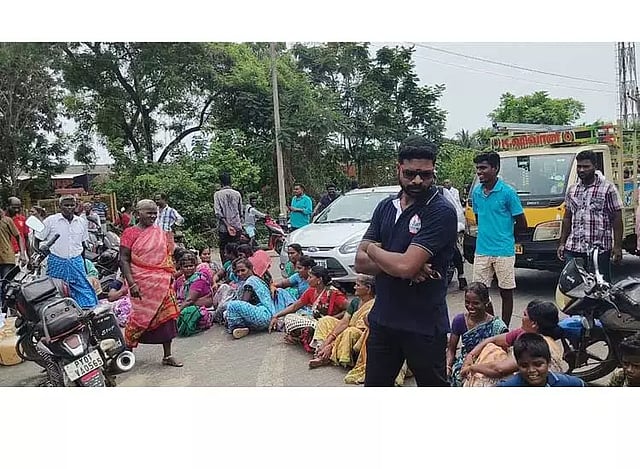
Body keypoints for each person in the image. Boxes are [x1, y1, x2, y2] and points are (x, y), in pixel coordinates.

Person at [354, 135, 457, 387]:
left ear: (434, 171)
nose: (418, 180)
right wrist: (401, 264)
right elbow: (360, 262)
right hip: (384, 320)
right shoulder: (385, 207)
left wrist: (374, 249)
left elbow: (403, 265)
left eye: (426, 174)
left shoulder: (440, 211)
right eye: (410, 173)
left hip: (424, 325)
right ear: (398, 168)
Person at [119, 199, 182, 367]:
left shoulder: (159, 232)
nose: (153, 216)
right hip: (140, 283)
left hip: (162, 282)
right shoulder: (130, 233)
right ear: (138, 214)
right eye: (149, 213)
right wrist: (131, 284)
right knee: (138, 318)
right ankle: (126, 355)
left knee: (167, 318)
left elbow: (167, 256)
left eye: (155, 213)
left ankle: (167, 356)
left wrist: (169, 274)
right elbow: (124, 259)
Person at [471, 151, 527, 326]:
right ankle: (491, 326)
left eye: (483, 168)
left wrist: (507, 238)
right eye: (477, 168)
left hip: (504, 251)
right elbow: (479, 218)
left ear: (495, 168)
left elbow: (522, 222)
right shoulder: (476, 193)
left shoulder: (508, 192)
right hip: (482, 250)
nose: (479, 172)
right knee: (480, 292)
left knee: (506, 291)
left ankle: (504, 328)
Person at [460, 300, 564, 387]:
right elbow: (493, 339)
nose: (522, 318)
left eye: (525, 315)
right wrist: (470, 355)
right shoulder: (525, 333)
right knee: (491, 347)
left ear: (534, 324)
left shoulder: (533, 345)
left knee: (492, 353)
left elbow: (499, 369)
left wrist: (472, 368)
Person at [558, 150, 623, 283]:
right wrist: (562, 243)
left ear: (595, 166)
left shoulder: (608, 189)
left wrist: (617, 247)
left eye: (586, 166)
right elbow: (567, 217)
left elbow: (617, 218)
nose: (582, 170)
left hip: (599, 250)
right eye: (579, 166)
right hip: (574, 248)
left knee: (601, 287)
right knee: (572, 287)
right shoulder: (572, 190)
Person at [35, 195, 98, 309]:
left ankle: (87, 311)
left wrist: (83, 265)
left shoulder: (81, 222)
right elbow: (37, 238)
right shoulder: (51, 221)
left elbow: (83, 245)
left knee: (84, 290)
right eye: (66, 205)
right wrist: (39, 252)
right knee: (55, 291)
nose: (69, 208)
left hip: (76, 262)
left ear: (76, 206)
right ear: (60, 206)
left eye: (72, 205)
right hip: (57, 262)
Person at [269, 266, 348, 351]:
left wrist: (332, 318)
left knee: (310, 327)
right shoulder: (311, 291)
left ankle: (310, 341)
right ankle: (306, 337)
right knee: (289, 317)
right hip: (315, 321)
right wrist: (276, 315)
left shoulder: (334, 293)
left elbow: (350, 309)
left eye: (310, 277)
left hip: (328, 324)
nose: (307, 280)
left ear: (319, 280)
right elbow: (295, 306)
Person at [308, 274, 375, 369]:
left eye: (358, 285)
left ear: (368, 289)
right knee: (325, 320)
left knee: (350, 332)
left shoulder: (373, 305)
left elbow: (362, 328)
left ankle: (326, 356)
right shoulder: (355, 301)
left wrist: (331, 345)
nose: (354, 287)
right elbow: (344, 321)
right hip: (348, 328)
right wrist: (328, 341)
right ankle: (320, 350)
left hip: (360, 334)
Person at [447, 282, 508, 386]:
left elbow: (503, 355)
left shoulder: (497, 326)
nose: (470, 307)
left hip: (489, 366)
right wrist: (448, 367)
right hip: (465, 364)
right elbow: (451, 350)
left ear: (486, 302)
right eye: (467, 302)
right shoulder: (459, 320)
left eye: (476, 303)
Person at [497, 333, 585, 387]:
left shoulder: (565, 383)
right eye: (524, 365)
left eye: (538, 364)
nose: (531, 370)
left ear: (549, 362)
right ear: (518, 365)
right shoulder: (508, 386)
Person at [225, 257, 276, 339]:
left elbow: (244, 302)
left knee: (232, 305)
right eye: (238, 271)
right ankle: (244, 327)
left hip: (264, 315)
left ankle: (239, 327)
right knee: (227, 312)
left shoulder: (251, 281)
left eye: (243, 270)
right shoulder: (254, 279)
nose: (240, 274)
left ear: (250, 269)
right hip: (259, 314)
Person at [175, 252, 214, 337]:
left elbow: (189, 300)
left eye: (191, 266)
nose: (189, 268)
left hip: (201, 308)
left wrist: (175, 313)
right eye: (186, 266)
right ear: (181, 268)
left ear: (195, 266)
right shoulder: (179, 280)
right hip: (184, 305)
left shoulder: (199, 279)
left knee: (188, 313)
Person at [439, 180, 467, 290]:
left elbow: (456, 209)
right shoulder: (410, 194)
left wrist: (457, 225)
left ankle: (461, 275)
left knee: (453, 249)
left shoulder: (442, 192)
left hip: (445, 227)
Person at [214, 172, 244, 261]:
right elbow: (240, 211)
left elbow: (218, 213)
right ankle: (236, 265)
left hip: (223, 228)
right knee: (236, 249)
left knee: (224, 249)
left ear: (221, 183)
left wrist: (227, 225)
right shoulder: (237, 194)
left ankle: (226, 266)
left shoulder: (217, 194)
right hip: (237, 226)